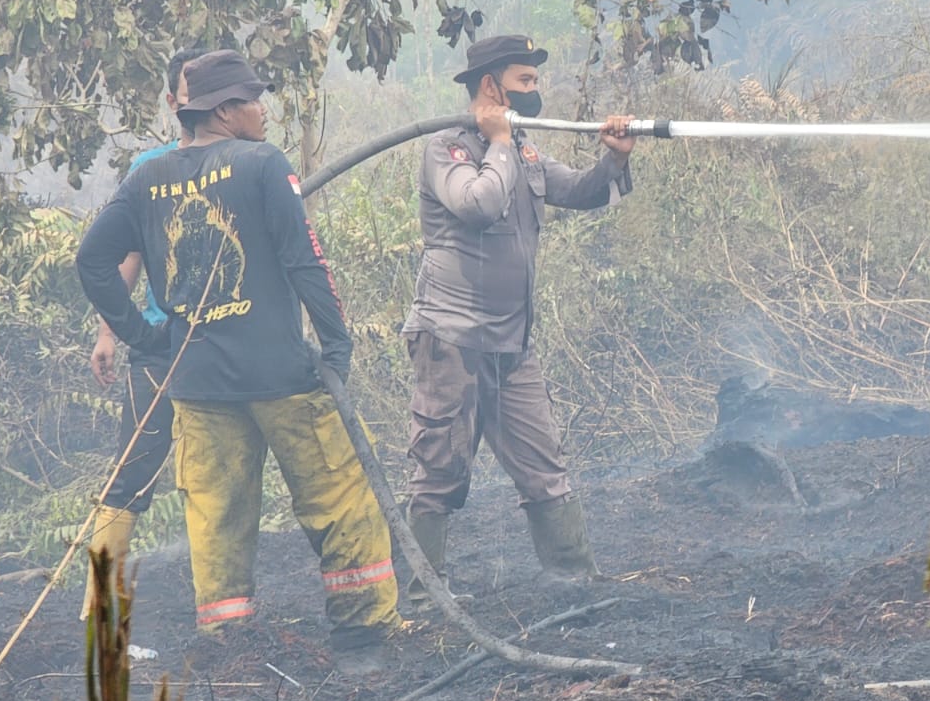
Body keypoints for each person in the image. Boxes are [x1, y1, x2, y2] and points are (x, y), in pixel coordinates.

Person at [76, 50, 400, 667]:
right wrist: (336, 345)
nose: (263, 110)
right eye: (255, 100)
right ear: (226, 111)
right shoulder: (261, 163)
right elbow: (306, 259)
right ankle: (362, 637)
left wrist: (145, 336)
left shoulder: (148, 177)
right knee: (337, 496)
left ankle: (228, 641)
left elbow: (92, 261)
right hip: (280, 374)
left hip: (195, 383)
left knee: (215, 514)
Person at [399, 33, 634, 607]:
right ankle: (419, 598)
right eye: (525, 82)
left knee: (543, 462)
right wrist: (499, 141)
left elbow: (578, 191)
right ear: (490, 86)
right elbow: (477, 204)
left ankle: (575, 581)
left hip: (512, 341)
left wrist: (613, 158)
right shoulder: (448, 150)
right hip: (452, 340)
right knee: (440, 470)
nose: (535, 92)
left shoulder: (524, 150)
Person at [81, 45, 206, 617]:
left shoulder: (250, 162)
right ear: (173, 100)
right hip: (159, 345)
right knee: (135, 470)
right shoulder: (150, 171)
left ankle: (223, 607)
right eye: (191, 88)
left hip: (225, 346)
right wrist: (112, 332)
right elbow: (125, 257)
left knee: (215, 470)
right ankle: (99, 605)